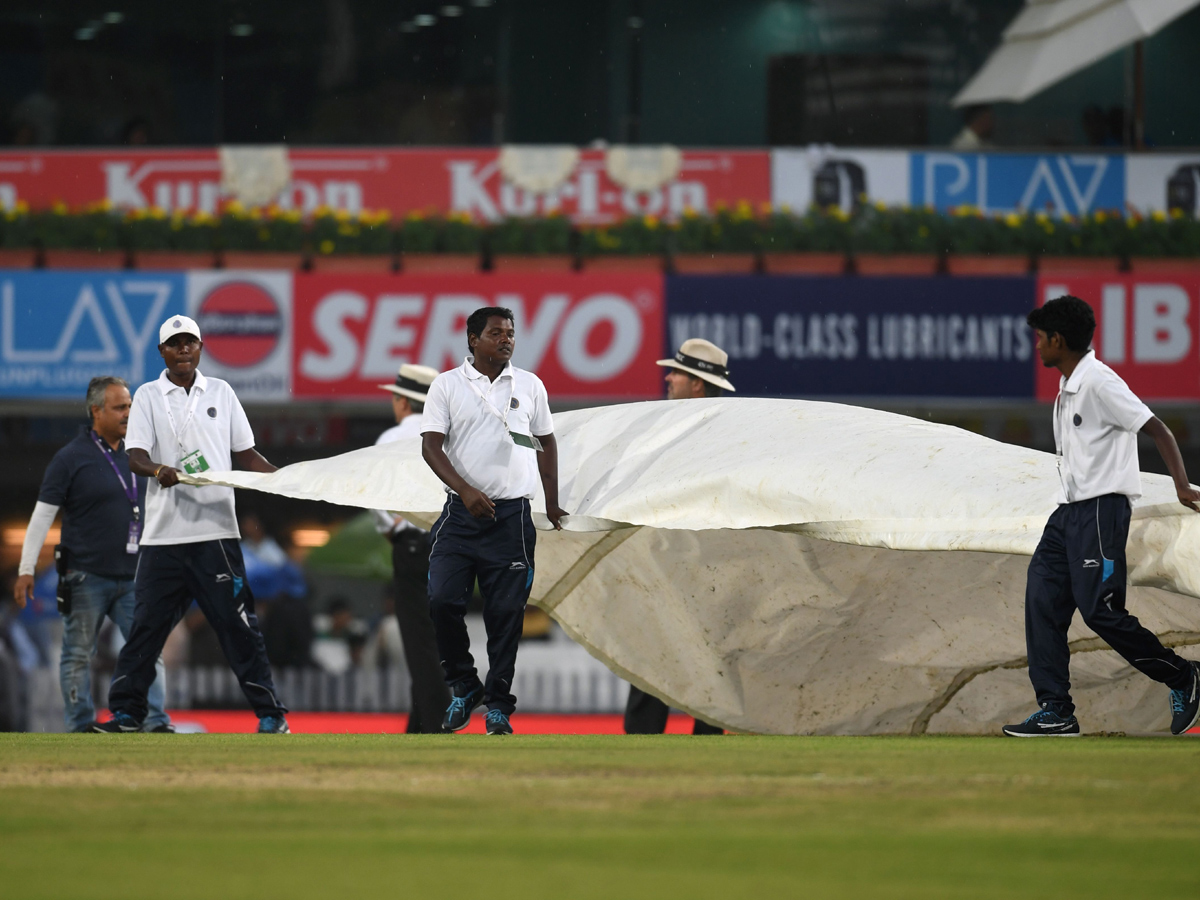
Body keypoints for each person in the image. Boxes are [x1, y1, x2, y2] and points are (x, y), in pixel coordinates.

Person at [1003, 296, 1200, 737]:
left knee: (1101, 612)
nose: (1036, 347)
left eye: (1040, 338)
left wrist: (1183, 485)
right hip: (1067, 514)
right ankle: (1056, 711)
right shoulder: (1071, 382)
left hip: (1098, 511)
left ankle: (1184, 676)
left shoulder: (1099, 382)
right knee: (1041, 601)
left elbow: (1157, 428)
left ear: (1058, 339)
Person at [92, 315, 290, 734]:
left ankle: (271, 715)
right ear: (161, 352)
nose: (183, 350)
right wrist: (158, 468)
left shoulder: (222, 392)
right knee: (145, 628)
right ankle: (127, 714)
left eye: (190, 343)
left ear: (200, 348)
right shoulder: (146, 396)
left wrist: (283, 478)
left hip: (216, 532)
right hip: (163, 536)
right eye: (174, 344)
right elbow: (135, 457)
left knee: (237, 625)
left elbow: (247, 455)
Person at [420, 306, 567, 735]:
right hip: (461, 515)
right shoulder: (447, 385)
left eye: (510, 333)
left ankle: (499, 706)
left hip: (512, 518)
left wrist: (552, 501)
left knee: (506, 614)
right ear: (473, 340)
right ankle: (465, 685)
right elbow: (430, 447)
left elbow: (547, 443)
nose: (506, 340)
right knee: (443, 600)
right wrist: (465, 492)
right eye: (496, 333)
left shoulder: (530, 384)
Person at [13, 377, 173, 733]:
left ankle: (157, 721)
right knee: (78, 654)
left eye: (130, 405)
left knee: (149, 648)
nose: (128, 413)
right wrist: (26, 569)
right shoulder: (70, 458)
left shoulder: (140, 453)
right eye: (119, 407)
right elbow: (42, 516)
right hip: (85, 576)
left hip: (135, 575)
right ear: (95, 411)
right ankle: (81, 724)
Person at [623, 339, 735, 736]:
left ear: (697, 385)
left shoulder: (677, 435)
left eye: (677, 372)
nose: (668, 378)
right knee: (705, 659)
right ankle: (704, 738)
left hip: (685, 560)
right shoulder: (731, 436)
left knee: (656, 656)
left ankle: (643, 738)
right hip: (708, 564)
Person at [372, 363, 451, 733]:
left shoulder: (391, 437)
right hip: (450, 544)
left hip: (413, 545)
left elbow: (375, 494)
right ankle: (419, 726)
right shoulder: (451, 434)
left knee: (419, 642)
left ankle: (438, 721)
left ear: (403, 401)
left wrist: (393, 529)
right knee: (440, 637)